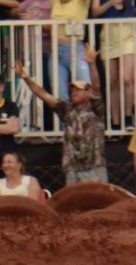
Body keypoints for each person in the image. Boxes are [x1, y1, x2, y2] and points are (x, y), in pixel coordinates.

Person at [16, 52, 105, 189]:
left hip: (94, 167)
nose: (74, 92)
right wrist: (26, 78)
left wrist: (92, 64)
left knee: (98, 201)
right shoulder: (66, 109)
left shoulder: (96, 110)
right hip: (72, 168)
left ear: (88, 92)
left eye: (79, 90)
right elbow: (43, 94)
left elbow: (97, 87)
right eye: (72, 90)